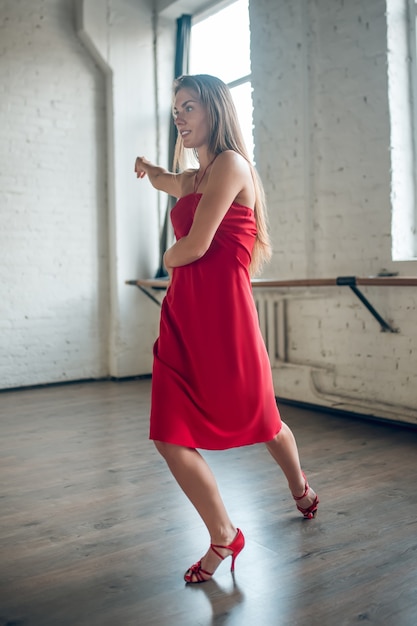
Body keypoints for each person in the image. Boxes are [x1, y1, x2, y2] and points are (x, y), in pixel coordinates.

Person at [134, 74, 319, 584]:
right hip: (182, 321)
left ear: (214, 111)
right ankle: (223, 534)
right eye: (176, 109)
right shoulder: (196, 176)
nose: (180, 116)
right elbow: (172, 182)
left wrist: (167, 257)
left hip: (226, 322)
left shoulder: (233, 167)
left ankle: (299, 486)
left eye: (188, 106)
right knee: (168, 435)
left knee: (264, 422)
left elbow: (194, 245)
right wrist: (150, 170)